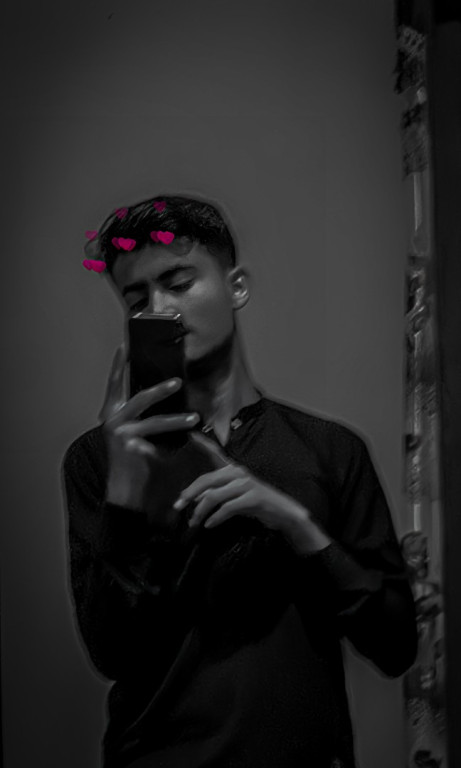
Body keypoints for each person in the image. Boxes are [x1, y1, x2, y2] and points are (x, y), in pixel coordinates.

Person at [61, 194, 418, 768]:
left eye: (179, 283)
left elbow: (396, 645)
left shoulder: (330, 450)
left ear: (237, 288)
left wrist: (296, 524)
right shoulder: (96, 459)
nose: (161, 309)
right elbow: (111, 653)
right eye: (138, 299)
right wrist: (125, 491)